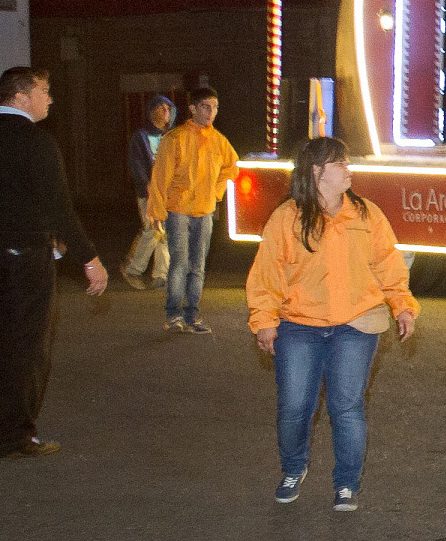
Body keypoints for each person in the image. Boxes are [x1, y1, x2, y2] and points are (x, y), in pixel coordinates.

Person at [245, 137, 417, 511]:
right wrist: (264, 320)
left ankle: (346, 484)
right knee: (293, 406)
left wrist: (402, 305)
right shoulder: (286, 217)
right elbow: (267, 274)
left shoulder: (366, 214)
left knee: (347, 406)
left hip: (356, 324)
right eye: (341, 164)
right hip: (298, 326)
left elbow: (389, 263)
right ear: (317, 172)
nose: (349, 170)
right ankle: (293, 468)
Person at [0, 66, 107, 459]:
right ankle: (13, 436)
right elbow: (59, 206)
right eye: (45, 91)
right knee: (26, 346)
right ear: (21, 95)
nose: (51, 99)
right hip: (24, 259)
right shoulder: (36, 142)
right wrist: (89, 258)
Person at [146, 86, 239, 333]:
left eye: (215, 107)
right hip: (178, 210)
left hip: (205, 211)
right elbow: (159, 177)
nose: (211, 113)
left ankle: (192, 316)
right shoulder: (175, 139)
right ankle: (174, 314)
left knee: (197, 265)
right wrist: (156, 210)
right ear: (193, 108)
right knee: (179, 263)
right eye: (206, 107)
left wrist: (216, 193)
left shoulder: (218, 141)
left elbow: (232, 167)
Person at [121, 96, 175, 290]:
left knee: (164, 233)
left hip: (167, 194)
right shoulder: (141, 137)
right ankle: (132, 268)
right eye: (161, 108)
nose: (165, 112)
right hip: (149, 192)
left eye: (168, 109)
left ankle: (161, 274)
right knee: (152, 230)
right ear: (152, 112)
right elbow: (136, 164)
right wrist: (145, 184)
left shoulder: (171, 136)